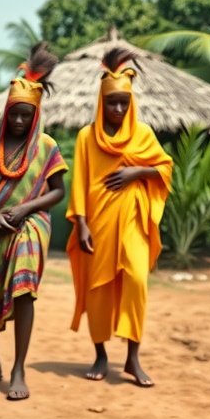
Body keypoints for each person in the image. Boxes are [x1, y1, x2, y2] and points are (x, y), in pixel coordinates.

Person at [67, 47, 172, 388]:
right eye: (112, 102)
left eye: (123, 103)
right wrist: (80, 223)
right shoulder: (86, 137)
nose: (117, 109)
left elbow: (164, 168)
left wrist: (136, 172)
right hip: (96, 223)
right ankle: (100, 354)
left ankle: (132, 358)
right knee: (98, 290)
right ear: (101, 102)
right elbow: (80, 181)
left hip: (133, 223)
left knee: (137, 283)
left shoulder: (143, 135)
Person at [0, 44, 67, 401]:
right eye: (15, 114)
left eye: (27, 115)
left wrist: (26, 209)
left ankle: (19, 368)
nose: (20, 121)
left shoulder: (47, 147)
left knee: (24, 290)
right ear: (7, 111)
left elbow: (58, 192)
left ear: (36, 113)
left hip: (31, 226)